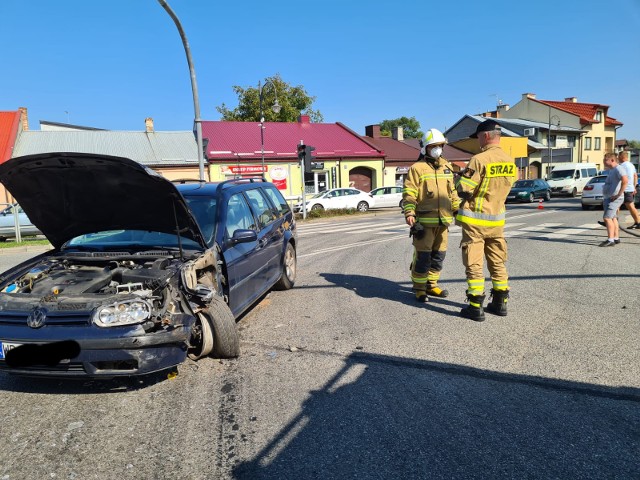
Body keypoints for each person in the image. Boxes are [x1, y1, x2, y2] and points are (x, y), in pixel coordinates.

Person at [455, 119, 516, 321]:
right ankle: (500, 304)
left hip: (476, 222)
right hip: (497, 221)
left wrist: (460, 177)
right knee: (497, 262)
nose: (478, 141)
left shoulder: (479, 160)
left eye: (479, 137)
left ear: (487, 135)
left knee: (474, 263)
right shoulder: (509, 161)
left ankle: (475, 307)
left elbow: (464, 189)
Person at [402, 128, 460, 303]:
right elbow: (409, 192)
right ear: (425, 148)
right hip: (424, 223)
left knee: (438, 257)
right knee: (423, 257)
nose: (437, 149)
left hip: (443, 222)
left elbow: (453, 193)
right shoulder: (417, 168)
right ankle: (419, 288)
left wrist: (457, 211)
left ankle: (431, 284)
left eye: (439, 146)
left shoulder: (447, 167)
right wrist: (409, 212)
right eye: (433, 146)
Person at [599, 152, 628, 247]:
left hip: (614, 198)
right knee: (613, 218)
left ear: (612, 160)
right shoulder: (612, 170)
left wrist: (618, 194)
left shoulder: (619, 169)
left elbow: (625, 180)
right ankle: (616, 238)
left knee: (607, 218)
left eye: (605, 160)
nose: (603, 162)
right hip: (610, 197)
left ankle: (610, 240)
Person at [617, 151, 640, 229]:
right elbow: (635, 176)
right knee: (628, 205)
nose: (617, 158)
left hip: (624, 188)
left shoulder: (622, 166)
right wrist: (634, 187)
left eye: (618, 157)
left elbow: (620, 177)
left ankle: (612, 221)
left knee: (622, 205)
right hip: (629, 188)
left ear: (622, 157)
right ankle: (637, 222)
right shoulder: (631, 165)